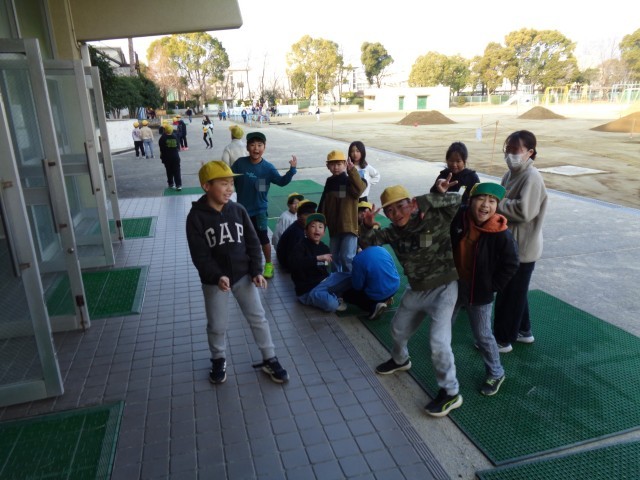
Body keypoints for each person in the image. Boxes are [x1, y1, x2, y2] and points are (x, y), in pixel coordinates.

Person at [359, 179, 463, 417]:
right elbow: (370, 241)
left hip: (444, 288)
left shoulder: (435, 217)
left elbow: (456, 200)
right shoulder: (393, 232)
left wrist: (425, 200)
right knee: (397, 329)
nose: (396, 214)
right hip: (416, 290)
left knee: (439, 343)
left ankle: (451, 392)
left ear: (412, 204)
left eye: (400, 206)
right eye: (389, 210)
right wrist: (366, 225)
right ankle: (400, 360)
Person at [186, 161, 289, 385]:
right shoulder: (196, 217)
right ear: (206, 186)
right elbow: (200, 255)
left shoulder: (238, 210)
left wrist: (256, 271)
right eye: (224, 184)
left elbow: (252, 243)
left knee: (258, 317)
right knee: (217, 325)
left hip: (244, 276)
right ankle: (218, 359)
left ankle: (269, 358)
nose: (230, 189)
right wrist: (216, 276)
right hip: (214, 282)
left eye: (231, 183)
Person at [450, 182, 519, 396]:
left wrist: (492, 286)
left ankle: (496, 372)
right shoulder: (460, 217)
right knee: (443, 321)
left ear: (497, 206)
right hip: (454, 282)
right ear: (470, 201)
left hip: (479, 290)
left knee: (482, 334)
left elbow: (511, 263)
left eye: (492, 201)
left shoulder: (500, 233)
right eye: (481, 199)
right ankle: (441, 352)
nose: (485, 205)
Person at [493, 130, 548, 352]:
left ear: (530, 152)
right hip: (511, 244)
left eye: (516, 150)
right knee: (517, 292)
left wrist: (495, 203)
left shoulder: (532, 177)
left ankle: (503, 340)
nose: (510, 154)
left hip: (523, 248)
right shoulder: (510, 174)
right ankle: (524, 331)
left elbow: (524, 211)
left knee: (509, 295)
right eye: (508, 149)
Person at [231, 131, 297, 279]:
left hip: (259, 210)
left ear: (264, 147)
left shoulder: (268, 168)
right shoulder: (239, 164)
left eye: (259, 145)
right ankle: (247, 263)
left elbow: (281, 182)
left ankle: (268, 264)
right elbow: (229, 178)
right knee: (243, 239)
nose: (256, 148)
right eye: (252, 145)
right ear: (247, 147)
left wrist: (292, 170)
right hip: (242, 211)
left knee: (263, 238)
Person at [289, 213, 351, 312]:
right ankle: (334, 296)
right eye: (313, 226)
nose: (317, 229)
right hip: (309, 290)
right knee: (332, 305)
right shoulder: (300, 246)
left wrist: (323, 263)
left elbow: (324, 267)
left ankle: (333, 293)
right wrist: (318, 258)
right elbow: (295, 264)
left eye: (320, 227)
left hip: (326, 280)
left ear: (324, 232)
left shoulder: (324, 248)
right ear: (306, 231)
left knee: (351, 277)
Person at [318, 150, 366, 273]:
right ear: (327, 166)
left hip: (348, 227)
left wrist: (352, 171)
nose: (336, 167)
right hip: (334, 227)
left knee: (347, 257)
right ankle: (337, 281)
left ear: (345, 164)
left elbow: (360, 189)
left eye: (339, 164)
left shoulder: (349, 180)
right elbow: (324, 201)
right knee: (334, 257)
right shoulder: (330, 182)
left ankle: (352, 280)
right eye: (332, 164)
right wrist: (320, 221)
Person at [342, 245, 400, 320]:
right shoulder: (383, 250)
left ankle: (374, 306)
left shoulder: (358, 259)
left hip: (377, 295)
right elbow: (394, 269)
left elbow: (357, 286)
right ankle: (387, 298)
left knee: (347, 295)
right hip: (394, 286)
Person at [276, 199, 317, 272]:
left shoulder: (300, 226)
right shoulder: (297, 232)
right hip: (289, 263)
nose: (309, 218)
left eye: (312, 215)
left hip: (291, 259)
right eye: (306, 215)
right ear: (298, 216)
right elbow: (295, 256)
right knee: (321, 263)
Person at [158, 124, 182, 191]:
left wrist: (162, 157)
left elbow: (161, 149)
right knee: (177, 171)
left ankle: (171, 184)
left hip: (166, 157)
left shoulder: (162, 138)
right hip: (175, 157)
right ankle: (178, 185)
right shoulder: (175, 137)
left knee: (169, 171)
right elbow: (178, 147)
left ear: (165, 130)